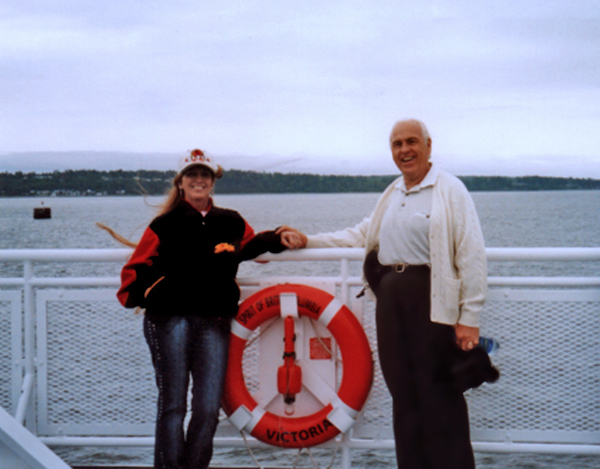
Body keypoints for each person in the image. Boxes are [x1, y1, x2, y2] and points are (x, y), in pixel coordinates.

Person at [278, 119, 498, 469]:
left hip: (432, 304)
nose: (404, 150)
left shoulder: (449, 189)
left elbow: (470, 254)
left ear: (428, 145)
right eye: (397, 144)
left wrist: (469, 317)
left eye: (411, 142)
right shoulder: (393, 193)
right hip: (392, 306)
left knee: (440, 394)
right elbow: (363, 234)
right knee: (404, 396)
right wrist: (311, 240)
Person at [117, 149, 294, 469]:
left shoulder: (230, 221)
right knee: (173, 406)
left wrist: (280, 237)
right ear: (181, 183)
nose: (199, 180)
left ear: (213, 182)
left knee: (209, 407)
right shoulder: (164, 224)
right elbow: (132, 276)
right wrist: (159, 294)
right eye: (192, 175)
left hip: (214, 321)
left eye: (205, 175)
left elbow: (251, 247)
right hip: (169, 321)